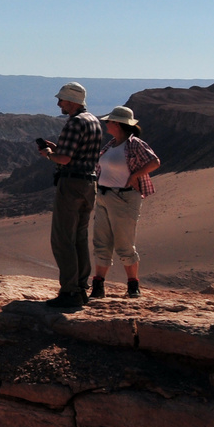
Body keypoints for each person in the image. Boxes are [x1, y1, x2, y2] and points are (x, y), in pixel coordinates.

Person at [35, 82, 104, 308]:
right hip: (89, 184)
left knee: (63, 238)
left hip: (72, 183)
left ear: (72, 102)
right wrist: (59, 149)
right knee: (79, 237)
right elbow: (76, 153)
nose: (58, 104)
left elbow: (64, 159)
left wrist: (48, 154)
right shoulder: (94, 121)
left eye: (62, 100)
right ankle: (82, 288)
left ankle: (69, 291)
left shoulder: (74, 123)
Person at [90, 105, 160, 299]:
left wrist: (136, 175)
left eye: (109, 121)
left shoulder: (134, 144)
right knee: (101, 241)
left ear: (118, 124)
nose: (106, 124)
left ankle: (132, 285)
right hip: (103, 196)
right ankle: (98, 285)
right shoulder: (110, 145)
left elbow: (154, 162)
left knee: (124, 243)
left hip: (123, 197)